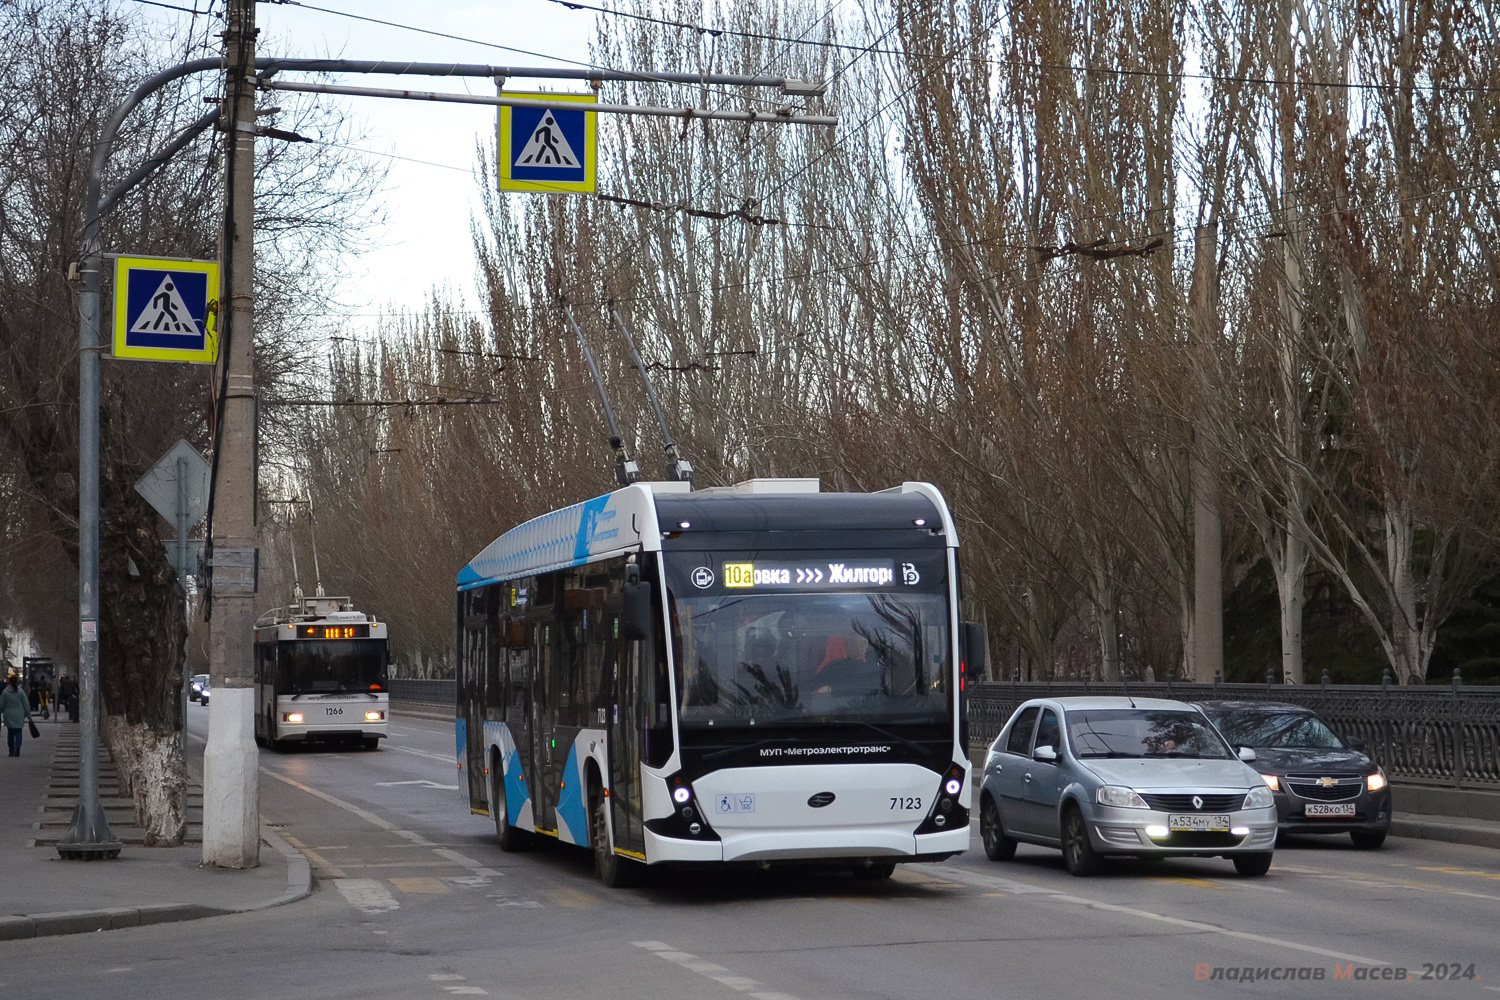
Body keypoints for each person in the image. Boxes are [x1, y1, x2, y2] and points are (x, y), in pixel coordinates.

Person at [1, 673, 35, 757]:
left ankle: (11, 750)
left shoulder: (5, 692)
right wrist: (29, 716)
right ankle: (18, 749)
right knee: (18, 732)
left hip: (9, 714)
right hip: (19, 714)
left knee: (10, 733)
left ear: (9, 682)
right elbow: (26, 704)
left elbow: (1, 705)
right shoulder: (21, 692)